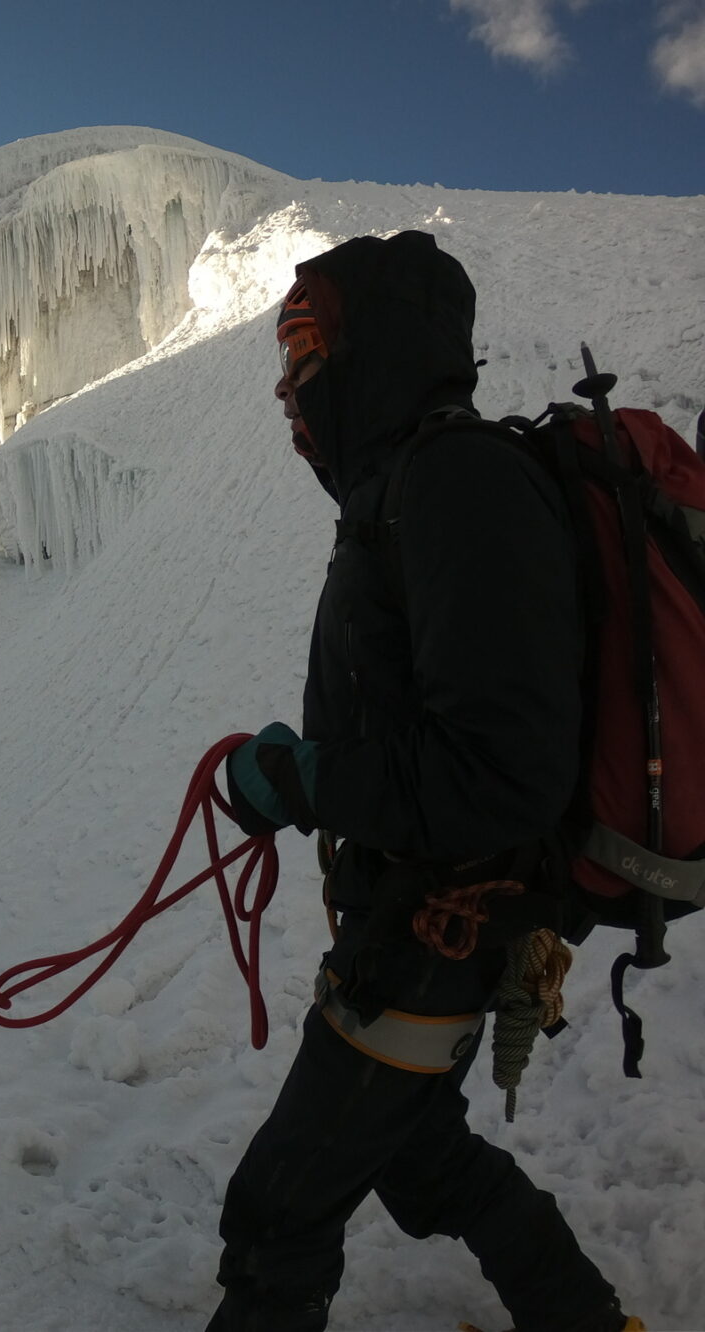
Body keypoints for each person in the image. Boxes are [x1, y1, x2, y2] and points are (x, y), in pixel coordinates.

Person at [211, 232, 638, 1332]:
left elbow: (502, 772)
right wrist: (303, 769)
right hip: (418, 915)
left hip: (440, 928)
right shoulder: (405, 488)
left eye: (308, 342)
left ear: (376, 346)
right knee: (419, 1156)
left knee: (281, 1206)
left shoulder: (456, 484)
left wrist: (302, 780)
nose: (289, 380)